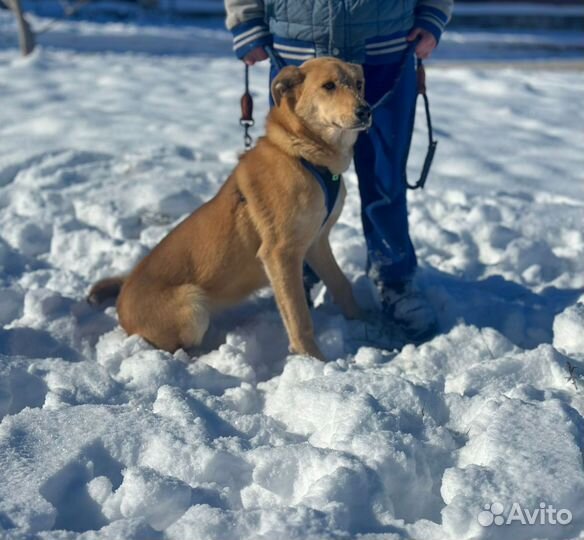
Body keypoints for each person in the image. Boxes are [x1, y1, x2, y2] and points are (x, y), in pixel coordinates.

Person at [224, 0, 453, 342]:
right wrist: (246, 21)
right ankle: (299, 269)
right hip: (298, 52)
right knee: (293, 180)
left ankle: (394, 278)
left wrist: (432, 14)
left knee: (385, 180)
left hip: (385, 51)